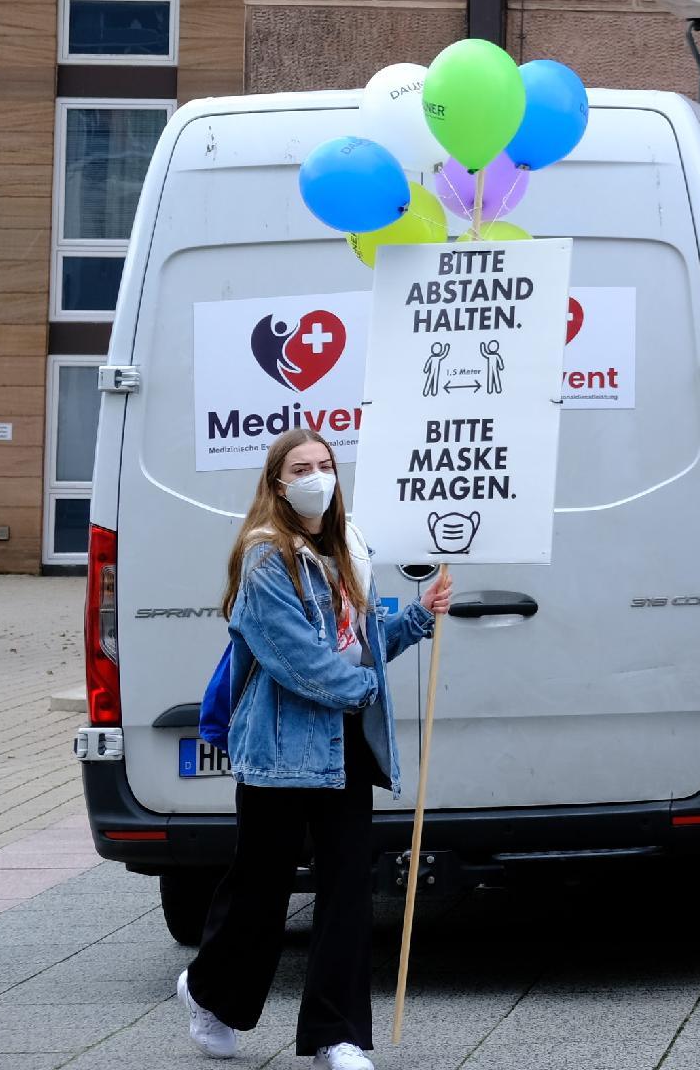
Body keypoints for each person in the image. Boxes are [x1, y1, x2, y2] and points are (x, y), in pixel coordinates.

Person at [176, 427, 449, 1070]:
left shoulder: (344, 551)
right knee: (261, 893)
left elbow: (360, 635)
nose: (317, 475)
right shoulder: (265, 557)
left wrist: (416, 618)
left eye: (325, 464)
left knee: (348, 891)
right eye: (302, 466)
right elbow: (296, 659)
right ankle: (210, 993)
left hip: (344, 747)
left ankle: (336, 1036)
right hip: (280, 751)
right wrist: (366, 690)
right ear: (277, 481)